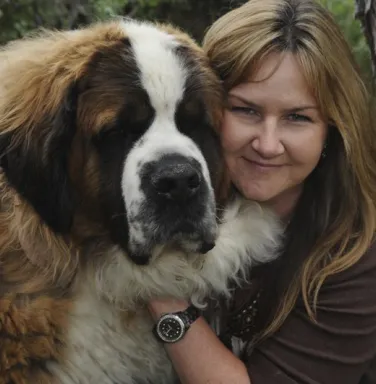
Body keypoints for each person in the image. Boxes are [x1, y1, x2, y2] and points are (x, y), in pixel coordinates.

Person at [147, 0, 376, 383]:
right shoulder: (172, 195)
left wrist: (157, 289)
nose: (268, 145)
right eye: (246, 110)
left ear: (331, 131)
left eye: (297, 117)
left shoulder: (354, 258)